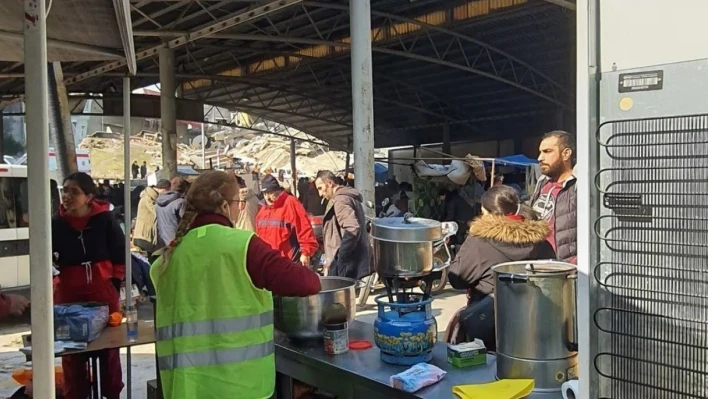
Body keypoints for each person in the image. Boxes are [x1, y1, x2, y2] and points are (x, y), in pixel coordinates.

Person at [150, 171, 321, 399]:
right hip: (238, 386)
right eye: (237, 202)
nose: (240, 208)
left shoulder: (164, 261)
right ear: (223, 206)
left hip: (186, 387)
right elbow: (307, 283)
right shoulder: (243, 247)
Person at [447, 185, 556, 348]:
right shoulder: (541, 242)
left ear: (488, 214)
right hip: (534, 327)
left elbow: (457, 278)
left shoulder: (480, 241)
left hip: (489, 330)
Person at [52, 172, 126, 399]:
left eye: (74, 192)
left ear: (89, 196)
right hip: (68, 296)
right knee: (72, 355)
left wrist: (114, 285)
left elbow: (119, 254)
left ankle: (111, 394)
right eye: (65, 191)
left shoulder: (105, 220)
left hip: (102, 293)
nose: (67, 196)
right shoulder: (55, 224)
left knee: (108, 351)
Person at [530, 130, 577, 264]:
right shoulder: (542, 183)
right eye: (540, 152)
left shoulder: (579, 185)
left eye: (547, 151)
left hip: (567, 269)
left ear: (566, 154)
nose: (540, 158)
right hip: (540, 266)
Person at [314, 170, 371, 279]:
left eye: (320, 188)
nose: (320, 194)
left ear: (329, 183)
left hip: (347, 264)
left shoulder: (340, 200)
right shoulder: (345, 197)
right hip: (351, 261)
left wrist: (341, 256)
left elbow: (352, 228)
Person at [256, 175, 318, 266]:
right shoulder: (262, 210)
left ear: (278, 191)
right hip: (268, 261)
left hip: (287, 261)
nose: (267, 197)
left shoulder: (290, 203)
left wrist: (305, 252)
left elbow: (304, 227)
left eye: (270, 193)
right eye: (265, 194)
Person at [133, 179, 170, 259]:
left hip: (147, 236)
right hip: (144, 236)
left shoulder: (152, 197)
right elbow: (157, 212)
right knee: (156, 256)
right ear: (164, 189)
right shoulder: (148, 199)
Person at [156, 177, 190, 249]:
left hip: (162, 238)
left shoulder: (158, 202)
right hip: (176, 240)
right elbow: (186, 222)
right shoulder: (180, 203)